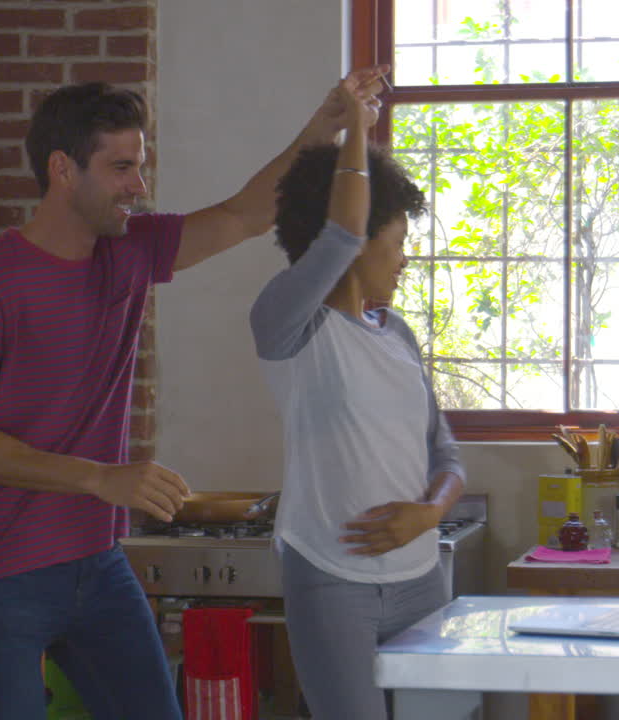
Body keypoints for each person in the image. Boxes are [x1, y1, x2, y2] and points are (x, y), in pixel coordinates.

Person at [0, 68, 388, 720]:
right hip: (0, 575)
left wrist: (325, 124)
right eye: (120, 168)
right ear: (62, 170)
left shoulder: (131, 252)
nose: (138, 187)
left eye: (139, 166)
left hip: (97, 565)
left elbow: (245, 213)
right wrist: (99, 479)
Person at [249, 73, 466, 720]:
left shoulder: (397, 335)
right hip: (329, 583)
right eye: (396, 242)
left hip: (424, 578)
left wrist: (428, 514)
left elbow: (449, 460)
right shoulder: (287, 326)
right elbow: (339, 235)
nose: (405, 259)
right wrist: (357, 130)